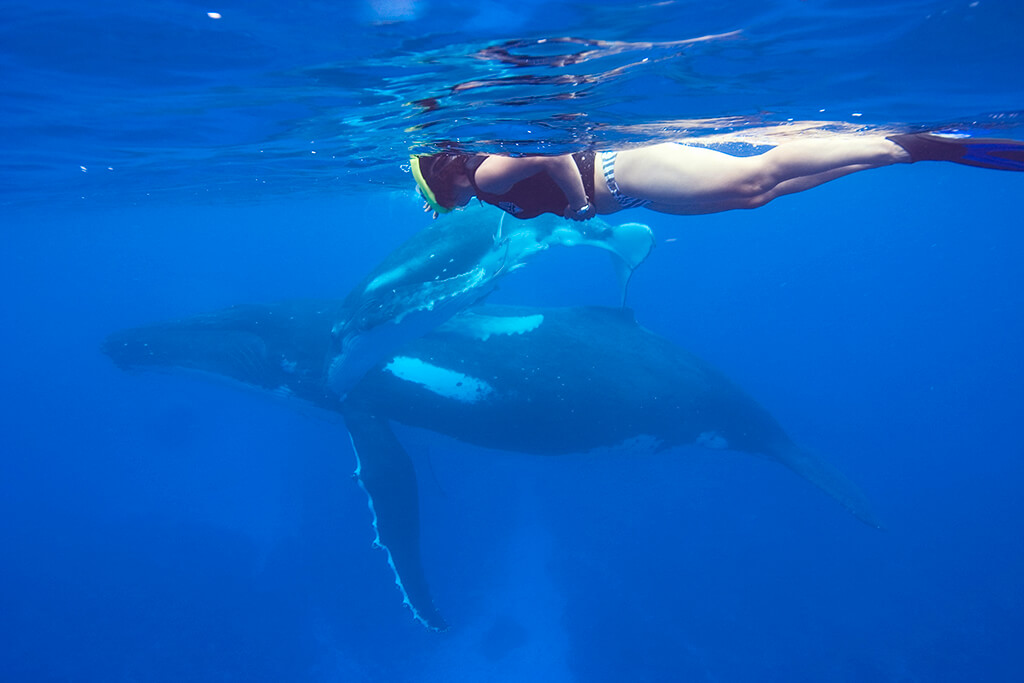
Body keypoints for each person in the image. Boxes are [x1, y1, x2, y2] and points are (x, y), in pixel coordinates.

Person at [410, 133, 1024, 221]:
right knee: (756, 196)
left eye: (441, 201)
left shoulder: (485, 176)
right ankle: (884, 153)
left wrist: (582, 208)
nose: (448, 208)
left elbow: (553, 159)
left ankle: (914, 145)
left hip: (625, 173)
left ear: (447, 184)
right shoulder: (486, 189)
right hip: (638, 191)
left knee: (756, 177)